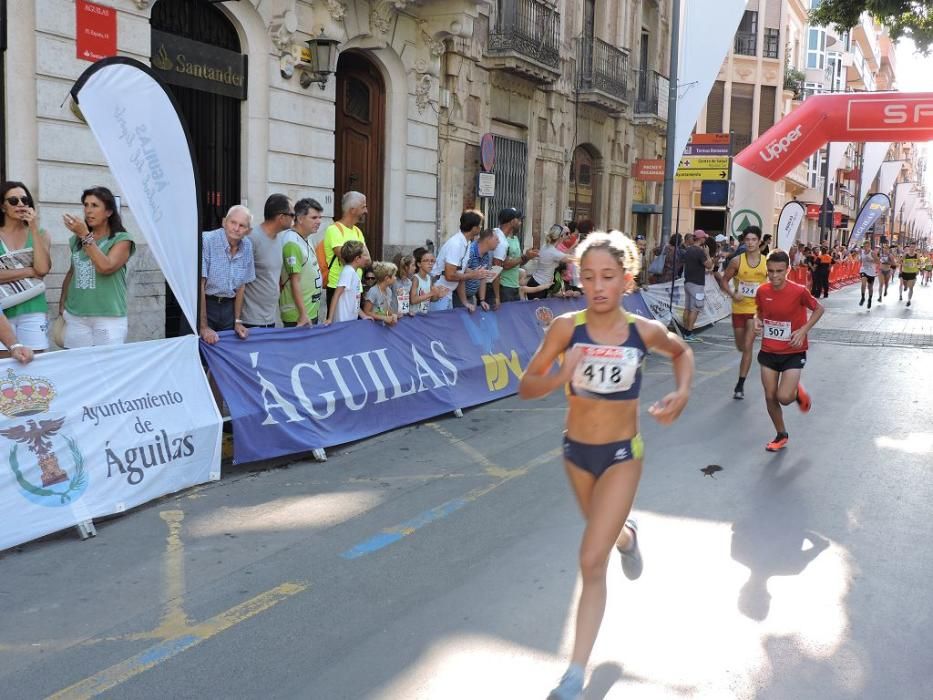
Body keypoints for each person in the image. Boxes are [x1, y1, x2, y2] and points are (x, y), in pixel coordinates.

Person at [518, 230, 693, 700]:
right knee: (606, 536)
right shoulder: (565, 329)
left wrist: (682, 391)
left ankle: (574, 675)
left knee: (590, 559)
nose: (597, 286)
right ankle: (627, 535)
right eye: (588, 276)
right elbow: (526, 385)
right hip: (576, 452)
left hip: (621, 455)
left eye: (608, 277)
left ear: (627, 281)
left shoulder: (641, 331)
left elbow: (682, 352)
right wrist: (561, 376)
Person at [754, 250, 824, 452]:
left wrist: (803, 330)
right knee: (769, 396)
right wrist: (757, 320)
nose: (774, 276)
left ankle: (795, 392)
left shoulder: (799, 291)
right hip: (768, 350)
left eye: (779, 271)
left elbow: (819, 308)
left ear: (788, 269)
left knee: (784, 397)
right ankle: (781, 434)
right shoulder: (762, 291)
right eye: (770, 272)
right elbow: (759, 311)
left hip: (793, 351)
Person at [60, 186, 135, 348]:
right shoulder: (76, 240)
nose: (88, 211)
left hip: (108, 316)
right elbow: (72, 272)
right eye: (86, 205)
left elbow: (106, 267)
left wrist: (85, 236)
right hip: (76, 315)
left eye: (94, 205)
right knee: (78, 367)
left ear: (108, 212)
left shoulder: (122, 239)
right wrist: (62, 304)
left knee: (108, 369)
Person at [0, 181, 50, 356]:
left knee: (35, 364)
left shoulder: (41, 233)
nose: (20, 204)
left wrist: (34, 228)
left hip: (33, 307)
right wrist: (29, 271)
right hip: (3, 310)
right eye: (13, 200)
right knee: (5, 365)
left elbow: (42, 269)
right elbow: (36, 271)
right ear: (3, 206)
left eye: (24, 199)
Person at [720, 225, 768, 400]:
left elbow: (774, 284)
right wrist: (733, 293)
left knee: (747, 346)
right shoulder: (736, 261)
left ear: (759, 241)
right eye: (747, 239)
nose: (750, 243)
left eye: (754, 239)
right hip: (739, 308)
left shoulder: (766, 262)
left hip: (755, 311)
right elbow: (724, 281)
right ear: (743, 241)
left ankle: (740, 384)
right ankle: (741, 376)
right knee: (741, 346)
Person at [199, 205, 254, 345]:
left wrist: (237, 321)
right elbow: (200, 284)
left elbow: (241, 286)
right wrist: (203, 326)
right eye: (233, 222)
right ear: (224, 222)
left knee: (224, 355)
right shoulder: (207, 240)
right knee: (201, 354)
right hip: (205, 304)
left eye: (242, 225)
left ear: (248, 230)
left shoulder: (247, 246)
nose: (236, 228)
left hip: (228, 308)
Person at [241, 193, 292, 328]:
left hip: (269, 318)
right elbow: (239, 280)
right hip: (250, 321)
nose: (294, 218)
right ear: (281, 217)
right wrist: (237, 321)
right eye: (292, 215)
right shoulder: (252, 239)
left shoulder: (279, 239)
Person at [279, 198, 324, 327]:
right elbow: (295, 281)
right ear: (300, 219)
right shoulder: (292, 242)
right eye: (314, 217)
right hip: (297, 315)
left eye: (320, 217)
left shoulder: (306, 238)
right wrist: (303, 314)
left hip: (311, 311)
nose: (319, 221)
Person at [431, 210, 487, 312]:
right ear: (474, 228)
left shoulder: (467, 243)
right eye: (480, 225)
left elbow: (460, 273)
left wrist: (478, 273)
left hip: (447, 293)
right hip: (438, 294)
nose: (481, 228)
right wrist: (473, 275)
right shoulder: (456, 244)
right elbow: (450, 275)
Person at [323, 191, 371, 308]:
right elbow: (346, 260)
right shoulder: (334, 230)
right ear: (352, 209)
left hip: (356, 288)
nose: (366, 211)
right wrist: (359, 258)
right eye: (363, 207)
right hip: (338, 289)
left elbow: (368, 260)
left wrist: (356, 258)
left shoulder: (357, 231)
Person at [492, 207, 538, 306]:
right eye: (519, 220)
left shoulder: (515, 239)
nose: (520, 223)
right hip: (504, 286)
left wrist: (527, 257)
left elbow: (519, 263)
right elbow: (505, 265)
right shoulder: (500, 240)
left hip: (515, 285)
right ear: (512, 221)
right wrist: (497, 297)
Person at [325, 240, 368, 325]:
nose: (366, 258)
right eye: (364, 255)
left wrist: (364, 316)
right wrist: (330, 319)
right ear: (357, 259)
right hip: (343, 322)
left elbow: (354, 301)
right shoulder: (348, 272)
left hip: (350, 322)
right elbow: (336, 295)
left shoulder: (353, 273)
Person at [681, 230, 713, 342]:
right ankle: (689, 333)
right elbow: (709, 266)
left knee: (688, 308)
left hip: (688, 282)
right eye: (704, 238)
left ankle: (685, 331)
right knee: (695, 308)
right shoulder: (700, 251)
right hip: (697, 284)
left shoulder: (688, 250)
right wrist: (707, 254)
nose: (705, 240)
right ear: (701, 239)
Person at [526, 225, 572, 300]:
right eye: (563, 235)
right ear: (560, 237)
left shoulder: (545, 246)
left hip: (536, 283)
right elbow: (571, 259)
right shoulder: (553, 252)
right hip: (539, 286)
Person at [459, 228, 497, 312]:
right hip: (459, 296)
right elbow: (461, 273)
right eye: (496, 239)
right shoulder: (471, 251)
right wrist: (465, 302)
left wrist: (482, 300)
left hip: (470, 296)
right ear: (488, 239)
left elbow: (482, 277)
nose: (499, 242)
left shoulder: (487, 254)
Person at [410, 247, 447, 313]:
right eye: (426, 260)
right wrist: (430, 294)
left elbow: (431, 299)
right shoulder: (416, 279)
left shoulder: (429, 278)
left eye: (432, 261)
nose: (430, 263)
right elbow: (413, 300)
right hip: (415, 316)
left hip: (424, 314)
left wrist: (438, 295)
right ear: (419, 264)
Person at [362, 261, 399, 326]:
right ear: (387, 278)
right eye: (394, 276)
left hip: (382, 326)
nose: (395, 278)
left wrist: (393, 315)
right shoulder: (373, 291)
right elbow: (366, 311)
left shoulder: (389, 291)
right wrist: (383, 318)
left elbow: (386, 309)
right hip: (372, 325)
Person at [857, 240, 880, 310]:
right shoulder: (862, 252)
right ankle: (863, 297)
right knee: (863, 283)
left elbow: (878, 261)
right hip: (863, 269)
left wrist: (871, 260)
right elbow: (860, 260)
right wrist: (860, 259)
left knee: (870, 287)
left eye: (867, 246)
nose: (866, 248)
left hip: (871, 271)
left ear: (870, 246)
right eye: (865, 246)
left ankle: (869, 299)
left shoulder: (872, 253)